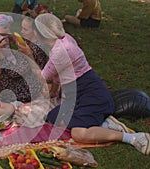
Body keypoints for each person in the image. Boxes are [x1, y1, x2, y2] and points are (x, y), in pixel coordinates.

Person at [34, 13, 150, 155]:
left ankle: (133, 138)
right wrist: (54, 92)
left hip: (90, 92)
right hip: (77, 93)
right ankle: (103, 123)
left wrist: (26, 54)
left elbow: (43, 77)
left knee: (78, 133)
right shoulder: (64, 39)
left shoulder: (61, 51)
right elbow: (59, 72)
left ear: (42, 34)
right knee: (53, 117)